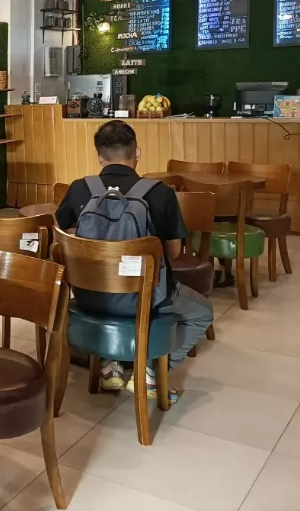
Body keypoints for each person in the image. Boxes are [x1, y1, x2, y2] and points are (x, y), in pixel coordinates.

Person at [55, 120, 213, 402]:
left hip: (88, 296)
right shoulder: (160, 192)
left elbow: (62, 236)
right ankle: (151, 374)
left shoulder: (80, 189)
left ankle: (110, 365)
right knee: (202, 312)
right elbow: (173, 252)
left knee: (111, 297)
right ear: (137, 152)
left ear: (99, 157)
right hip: (145, 297)